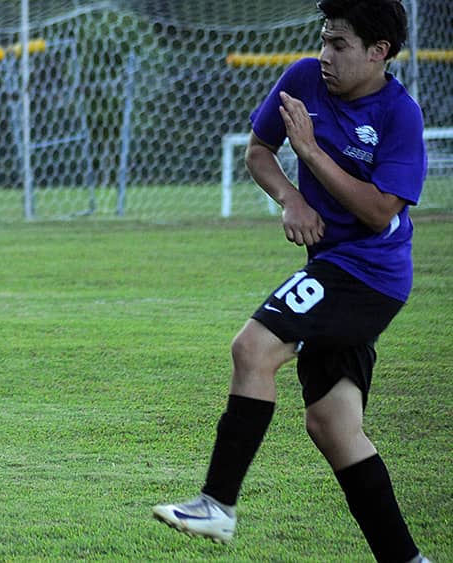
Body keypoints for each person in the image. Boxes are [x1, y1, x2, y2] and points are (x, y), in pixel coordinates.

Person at [151, 1, 431, 561]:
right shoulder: (304, 77)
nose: (325, 55)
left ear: (378, 52)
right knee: (333, 424)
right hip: (332, 267)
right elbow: (259, 151)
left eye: (340, 44)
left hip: (367, 272)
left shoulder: (401, 116)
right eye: (324, 40)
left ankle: (217, 505)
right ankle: (407, 559)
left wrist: (310, 152)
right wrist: (292, 198)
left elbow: (380, 212)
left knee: (252, 348)